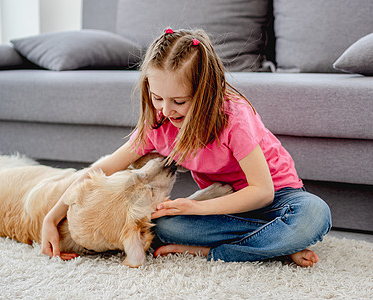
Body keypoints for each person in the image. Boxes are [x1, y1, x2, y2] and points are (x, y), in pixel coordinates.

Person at [41, 28, 331, 267]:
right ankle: (272, 245)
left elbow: (262, 191)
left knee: (314, 216)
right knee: (163, 227)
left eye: (179, 101)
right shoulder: (159, 125)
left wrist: (196, 206)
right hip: (222, 211)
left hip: (277, 199)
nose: (166, 110)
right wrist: (52, 217)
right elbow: (101, 169)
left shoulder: (235, 117)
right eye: (157, 98)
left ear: (206, 92)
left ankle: (215, 252)